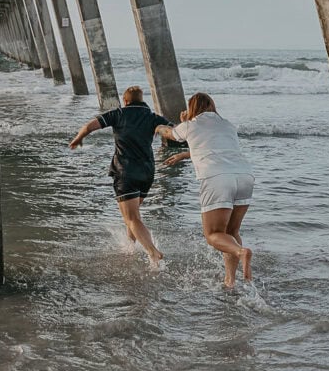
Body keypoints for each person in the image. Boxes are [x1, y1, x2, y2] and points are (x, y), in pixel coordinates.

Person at [155, 92, 254, 287]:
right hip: (245, 176)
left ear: (192, 108)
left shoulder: (190, 125)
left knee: (213, 235)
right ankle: (230, 280)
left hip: (216, 179)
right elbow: (212, 148)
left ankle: (242, 252)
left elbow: (171, 134)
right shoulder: (227, 125)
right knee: (231, 231)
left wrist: (159, 127)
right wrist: (185, 155)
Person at [69, 86, 169, 266]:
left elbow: (89, 126)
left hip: (126, 171)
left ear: (125, 100)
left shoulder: (118, 114)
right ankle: (130, 248)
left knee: (132, 218)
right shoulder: (153, 117)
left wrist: (78, 139)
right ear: (142, 99)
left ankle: (152, 251)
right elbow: (173, 133)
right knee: (133, 215)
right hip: (147, 172)